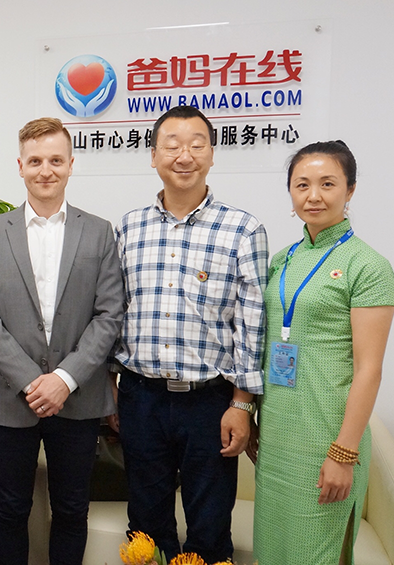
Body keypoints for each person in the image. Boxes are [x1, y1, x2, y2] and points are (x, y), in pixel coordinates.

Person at [112, 105, 268, 563]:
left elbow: (252, 324)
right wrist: (111, 388)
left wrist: (242, 404)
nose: (185, 155)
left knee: (210, 524)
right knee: (145, 526)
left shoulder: (243, 229)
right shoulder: (129, 227)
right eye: (172, 145)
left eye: (197, 144)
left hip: (210, 403)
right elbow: (114, 311)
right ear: (154, 155)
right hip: (140, 397)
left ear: (212, 154)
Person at [0, 117, 125, 565]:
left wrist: (64, 379)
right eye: (35, 161)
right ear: (20, 166)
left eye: (56, 160)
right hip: (9, 397)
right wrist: (32, 381)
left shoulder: (99, 231)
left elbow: (109, 314)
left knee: (72, 509)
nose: (46, 170)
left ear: (71, 164)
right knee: (11, 509)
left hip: (78, 397)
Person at [252, 141, 394, 565]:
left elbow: (369, 370)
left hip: (327, 439)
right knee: (272, 552)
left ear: (350, 190)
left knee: (315, 554)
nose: (313, 196)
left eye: (327, 184)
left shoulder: (368, 266)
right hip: (277, 438)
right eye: (302, 185)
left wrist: (343, 454)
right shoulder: (282, 260)